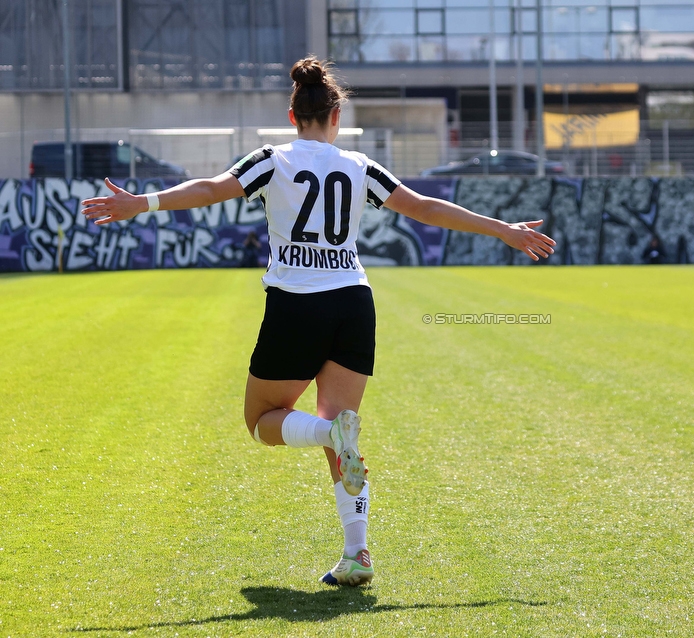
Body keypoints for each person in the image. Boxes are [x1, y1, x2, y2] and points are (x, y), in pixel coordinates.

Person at [81, 56, 556, 586]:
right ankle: (358, 553)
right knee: (342, 440)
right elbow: (423, 207)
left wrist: (140, 203)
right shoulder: (359, 166)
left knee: (263, 423)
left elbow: (210, 189)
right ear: (335, 117)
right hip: (354, 303)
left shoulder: (270, 159)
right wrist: (505, 231)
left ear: (292, 115)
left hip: (296, 304)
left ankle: (330, 436)